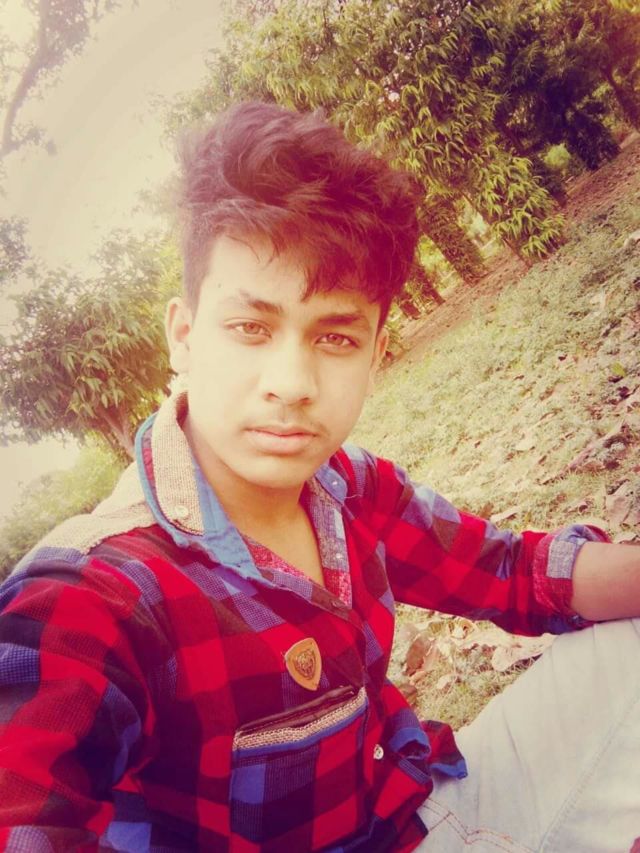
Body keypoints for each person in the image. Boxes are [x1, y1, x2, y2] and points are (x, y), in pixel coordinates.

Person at [0, 101, 638, 853]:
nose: (293, 383)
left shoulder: (349, 487)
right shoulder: (94, 596)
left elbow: (511, 571)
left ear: (374, 353)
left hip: (426, 813)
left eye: (335, 337)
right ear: (184, 335)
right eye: (251, 328)